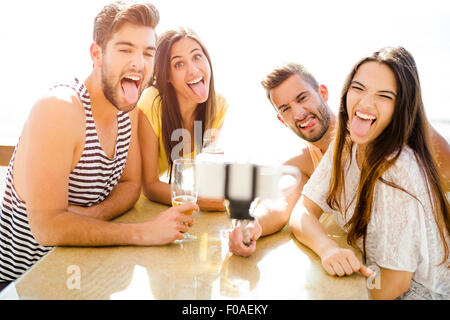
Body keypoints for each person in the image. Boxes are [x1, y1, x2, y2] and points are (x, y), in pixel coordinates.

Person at [0, 1, 198, 289]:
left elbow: (130, 186)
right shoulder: (59, 109)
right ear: (97, 54)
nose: (139, 63)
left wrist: (92, 215)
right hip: (19, 284)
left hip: (80, 277)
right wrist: (143, 233)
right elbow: (47, 229)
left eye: (147, 53)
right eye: (125, 49)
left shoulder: (128, 109)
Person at [229, 59, 450, 257]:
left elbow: (445, 169)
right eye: (286, 109)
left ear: (323, 93)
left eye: (302, 98)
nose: (298, 114)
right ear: (281, 119)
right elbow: (278, 203)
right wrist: (251, 225)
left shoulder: (376, 125)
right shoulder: (304, 162)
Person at [290, 47, 449, 299]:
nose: (365, 103)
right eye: (358, 88)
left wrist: (346, 291)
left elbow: (394, 285)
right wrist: (327, 249)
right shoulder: (346, 145)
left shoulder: (398, 167)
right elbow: (303, 211)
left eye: (384, 96)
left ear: (401, 108)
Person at [138, 27, 228, 211]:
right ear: (167, 75)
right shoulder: (152, 102)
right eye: (179, 64)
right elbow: (149, 186)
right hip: (139, 204)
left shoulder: (218, 106)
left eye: (197, 57)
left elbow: (208, 173)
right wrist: (205, 202)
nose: (193, 70)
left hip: (169, 202)